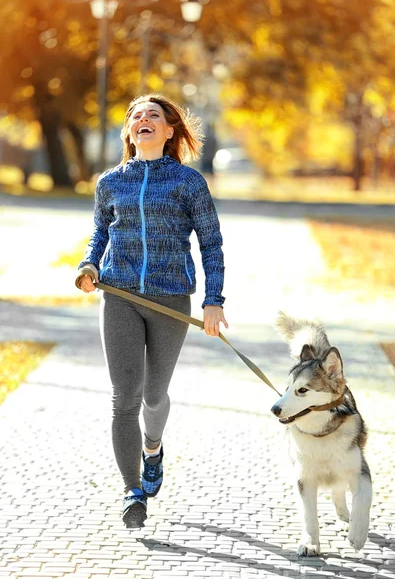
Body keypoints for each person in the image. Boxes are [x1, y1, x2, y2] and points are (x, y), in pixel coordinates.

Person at [76, 94, 228, 529]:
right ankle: (132, 491)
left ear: (168, 131)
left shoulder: (187, 182)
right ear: (129, 132)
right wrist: (89, 265)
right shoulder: (110, 182)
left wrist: (214, 300)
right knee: (124, 398)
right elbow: (99, 234)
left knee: (153, 395)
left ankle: (153, 448)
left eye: (153, 116)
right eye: (136, 116)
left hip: (170, 301)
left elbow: (211, 243)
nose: (143, 119)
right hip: (120, 296)